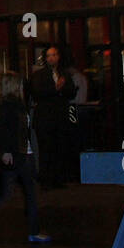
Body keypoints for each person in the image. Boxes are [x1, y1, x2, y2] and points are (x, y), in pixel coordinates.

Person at [0, 73, 51, 245]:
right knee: (28, 192)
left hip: (18, 152)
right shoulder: (12, 105)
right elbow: (6, 130)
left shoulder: (8, 104)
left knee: (7, 193)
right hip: (20, 153)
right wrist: (6, 151)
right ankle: (33, 231)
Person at [30, 45, 76, 188]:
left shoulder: (65, 74)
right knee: (46, 149)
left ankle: (59, 179)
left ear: (59, 56)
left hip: (60, 117)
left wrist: (63, 88)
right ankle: (46, 180)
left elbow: (72, 92)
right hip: (45, 118)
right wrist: (55, 88)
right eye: (49, 55)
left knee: (60, 148)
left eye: (54, 55)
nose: (52, 58)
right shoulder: (39, 75)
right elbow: (37, 93)